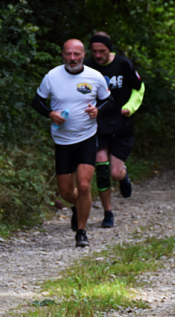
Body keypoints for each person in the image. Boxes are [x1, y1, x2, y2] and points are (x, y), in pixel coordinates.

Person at [32, 39, 112, 247]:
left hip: (86, 137)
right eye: (68, 54)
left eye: (76, 54)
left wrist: (98, 110)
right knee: (66, 191)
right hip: (62, 141)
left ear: (84, 55)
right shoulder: (52, 76)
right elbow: (37, 101)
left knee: (84, 185)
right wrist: (50, 113)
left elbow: (108, 100)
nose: (72, 58)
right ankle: (78, 206)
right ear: (62, 55)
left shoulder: (95, 77)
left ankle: (81, 232)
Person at [84, 32, 144, 228]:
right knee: (101, 170)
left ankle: (123, 176)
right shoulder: (88, 67)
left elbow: (139, 88)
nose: (98, 56)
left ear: (110, 49)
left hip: (121, 123)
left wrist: (130, 107)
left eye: (102, 51)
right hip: (98, 124)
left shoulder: (123, 64)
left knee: (115, 173)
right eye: (95, 52)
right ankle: (107, 212)